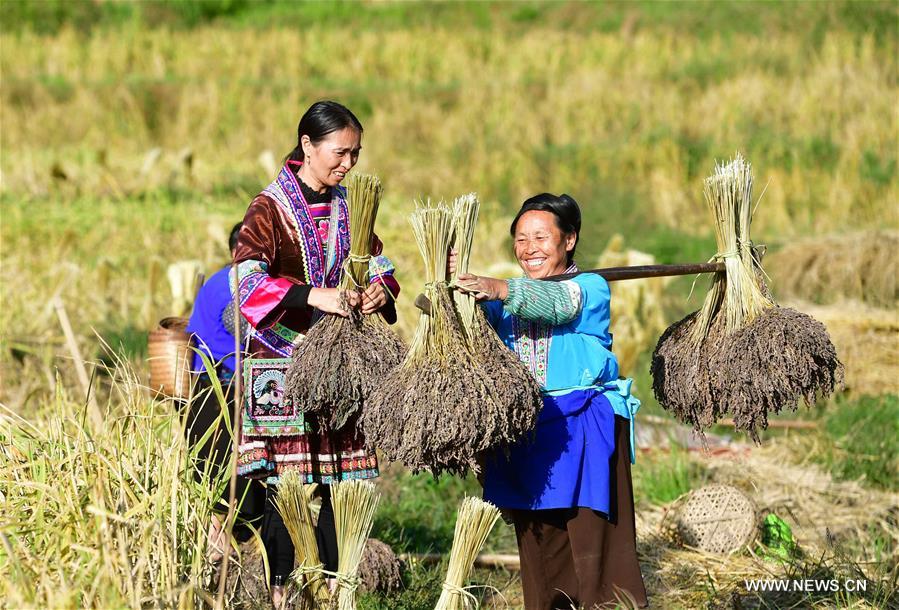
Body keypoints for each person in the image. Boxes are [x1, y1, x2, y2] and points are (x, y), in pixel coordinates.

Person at [232, 100, 400, 606]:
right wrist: (313, 295)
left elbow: (382, 266)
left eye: (356, 154)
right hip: (280, 363)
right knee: (287, 482)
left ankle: (334, 585)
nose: (348, 164)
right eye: (340, 153)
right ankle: (282, 587)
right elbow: (246, 283)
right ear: (308, 144)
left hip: (343, 361)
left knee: (339, 477)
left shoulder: (353, 205)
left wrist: (379, 290)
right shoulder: (268, 209)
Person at [455, 193, 648, 609]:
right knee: (540, 546)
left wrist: (500, 287)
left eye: (541, 237)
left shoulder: (588, 288)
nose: (529, 248)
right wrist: (451, 297)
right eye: (520, 239)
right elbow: (471, 326)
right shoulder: (504, 303)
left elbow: (557, 305)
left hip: (581, 430)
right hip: (526, 433)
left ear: (569, 240)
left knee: (591, 546)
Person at [185, 222, 263, 562]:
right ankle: (221, 539)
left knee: (210, 466)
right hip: (221, 387)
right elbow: (247, 336)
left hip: (201, 382)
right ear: (237, 253)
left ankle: (221, 536)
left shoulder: (219, 280)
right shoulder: (238, 289)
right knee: (227, 465)